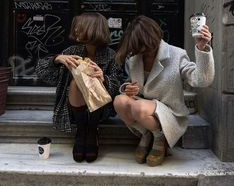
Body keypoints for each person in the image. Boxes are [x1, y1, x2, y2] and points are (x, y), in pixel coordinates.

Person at [114, 15, 214, 167]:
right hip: (145, 108)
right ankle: (147, 133)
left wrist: (202, 48)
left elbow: (201, 80)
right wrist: (127, 89)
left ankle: (160, 138)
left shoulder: (177, 54)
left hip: (169, 112)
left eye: (145, 46)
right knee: (119, 101)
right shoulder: (134, 59)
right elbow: (131, 82)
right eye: (138, 46)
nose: (143, 51)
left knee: (138, 107)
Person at [36, 12, 123, 163]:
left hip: (101, 109)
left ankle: (92, 130)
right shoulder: (71, 52)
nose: (76, 30)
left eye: (80, 27)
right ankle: (82, 130)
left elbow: (119, 86)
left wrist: (104, 78)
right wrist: (57, 59)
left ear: (93, 29)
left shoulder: (111, 55)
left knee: (93, 79)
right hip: (73, 108)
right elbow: (42, 73)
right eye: (76, 28)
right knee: (77, 83)